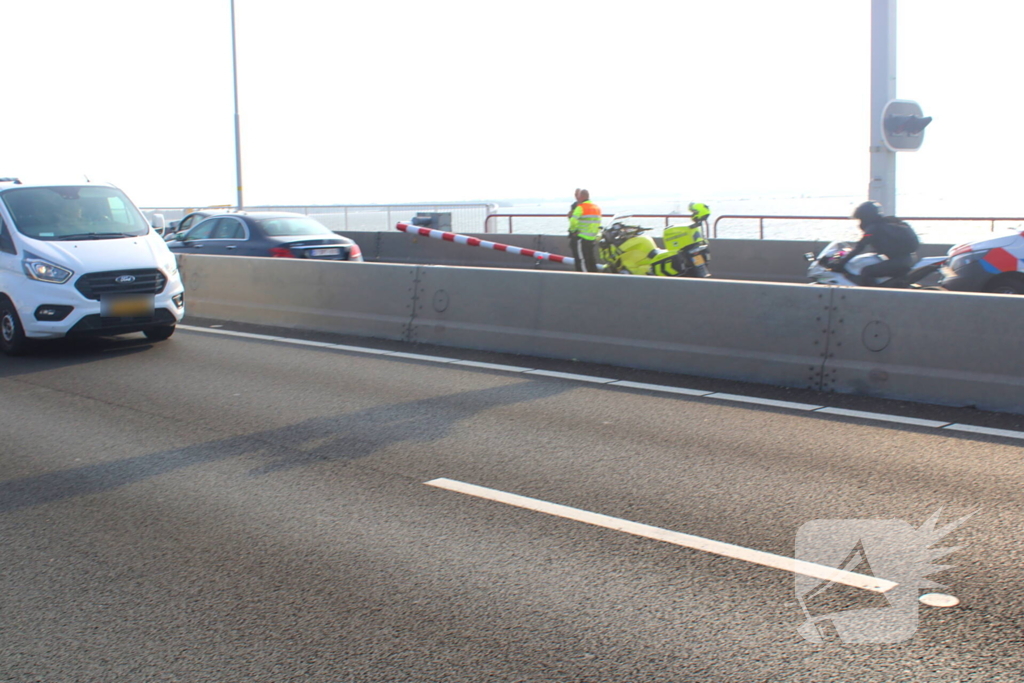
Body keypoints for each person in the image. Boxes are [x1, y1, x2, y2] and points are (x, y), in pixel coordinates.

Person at [831, 201, 920, 285]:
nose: (861, 223)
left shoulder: (873, 228)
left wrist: (842, 263)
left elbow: (860, 246)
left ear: (867, 216)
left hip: (900, 261)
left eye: (861, 219)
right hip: (907, 258)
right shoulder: (885, 224)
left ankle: (873, 296)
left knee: (866, 271)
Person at [568, 189, 601, 272]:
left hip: (581, 237)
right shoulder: (596, 207)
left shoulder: (581, 207)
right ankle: (595, 276)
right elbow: (598, 222)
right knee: (591, 259)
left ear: (582, 196)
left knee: (581, 260)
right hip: (592, 237)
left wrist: (573, 231)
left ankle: (584, 278)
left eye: (578, 196)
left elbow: (573, 220)